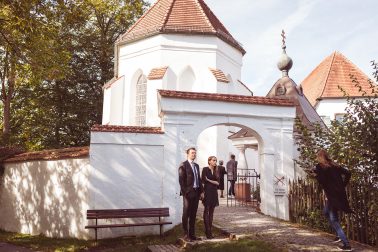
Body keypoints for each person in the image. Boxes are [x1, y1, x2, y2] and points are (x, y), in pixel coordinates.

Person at [313, 149, 353, 251]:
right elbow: (348, 173)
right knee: (326, 212)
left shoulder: (320, 167)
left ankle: (346, 244)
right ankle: (338, 235)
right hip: (338, 195)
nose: (317, 158)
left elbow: (322, 180)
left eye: (318, 156)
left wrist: (316, 175)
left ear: (320, 157)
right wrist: (342, 185)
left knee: (333, 219)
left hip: (332, 196)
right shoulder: (334, 165)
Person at [178, 147, 204, 242]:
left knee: (193, 214)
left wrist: (201, 191)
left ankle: (192, 235)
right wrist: (186, 193)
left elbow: (199, 179)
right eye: (192, 153)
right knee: (186, 213)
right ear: (188, 154)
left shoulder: (196, 166)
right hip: (188, 194)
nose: (194, 154)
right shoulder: (183, 165)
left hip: (196, 193)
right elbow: (181, 181)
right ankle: (186, 234)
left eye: (195, 153)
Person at [201, 156, 219, 239]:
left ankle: (209, 231)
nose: (215, 162)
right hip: (207, 192)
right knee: (206, 210)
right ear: (209, 161)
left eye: (216, 160)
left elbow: (218, 183)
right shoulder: (205, 169)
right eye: (213, 160)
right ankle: (207, 231)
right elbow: (203, 181)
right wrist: (202, 192)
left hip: (214, 192)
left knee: (211, 212)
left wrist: (208, 180)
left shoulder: (216, 170)